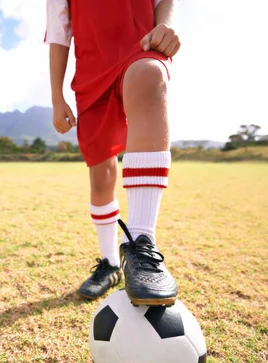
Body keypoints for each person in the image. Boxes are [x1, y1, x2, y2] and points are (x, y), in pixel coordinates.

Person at [45, 0, 181, 306]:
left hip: (142, 46)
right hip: (91, 74)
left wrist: (167, 25)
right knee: (102, 176)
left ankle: (141, 243)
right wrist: (57, 96)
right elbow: (58, 34)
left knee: (148, 74)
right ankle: (110, 264)